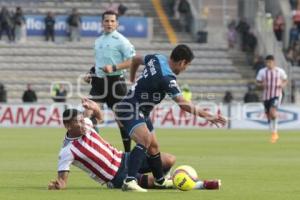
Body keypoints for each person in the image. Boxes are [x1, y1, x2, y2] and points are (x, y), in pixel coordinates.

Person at [104, 44, 226, 192]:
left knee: (154, 146)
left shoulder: (157, 58)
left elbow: (135, 59)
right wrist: (209, 116)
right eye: (186, 65)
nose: (185, 69)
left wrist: (132, 79)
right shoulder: (167, 78)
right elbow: (183, 104)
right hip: (130, 108)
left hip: (139, 109)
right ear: (182, 62)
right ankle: (129, 181)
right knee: (145, 140)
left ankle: (160, 180)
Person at [47, 98, 221, 191]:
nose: (82, 123)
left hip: (125, 158)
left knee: (169, 159)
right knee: (156, 183)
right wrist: (58, 185)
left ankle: (170, 178)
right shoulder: (67, 151)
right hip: (115, 177)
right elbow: (62, 181)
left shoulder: (86, 125)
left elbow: (97, 117)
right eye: (78, 123)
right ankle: (202, 184)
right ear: (68, 126)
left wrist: (93, 107)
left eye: (81, 120)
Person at [84, 10, 136, 153]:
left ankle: (127, 154)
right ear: (102, 23)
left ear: (117, 23)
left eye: (112, 21)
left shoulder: (122, 41)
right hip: (99, 83)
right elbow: (99, 63)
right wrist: (90, 73)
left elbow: (132, 61)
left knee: (122, 121)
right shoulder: (98, 41)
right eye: (106, 21)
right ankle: (96, 150)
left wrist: (114, 67)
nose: (109, 23)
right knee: (87, 114)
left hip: (116, 83)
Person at [256, 55, 288, 143]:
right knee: (269, 115)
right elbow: (257, 83)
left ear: (274, 62)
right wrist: (261, 85)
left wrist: (283, 85)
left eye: (270, 62)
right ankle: (273, 132)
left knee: (272, 112)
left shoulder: (280, 71)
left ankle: (275, 133)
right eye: (267, 62)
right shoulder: (262, 72)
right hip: (266, 96)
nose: (268, 64)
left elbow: (285, 80)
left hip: (277, 95)